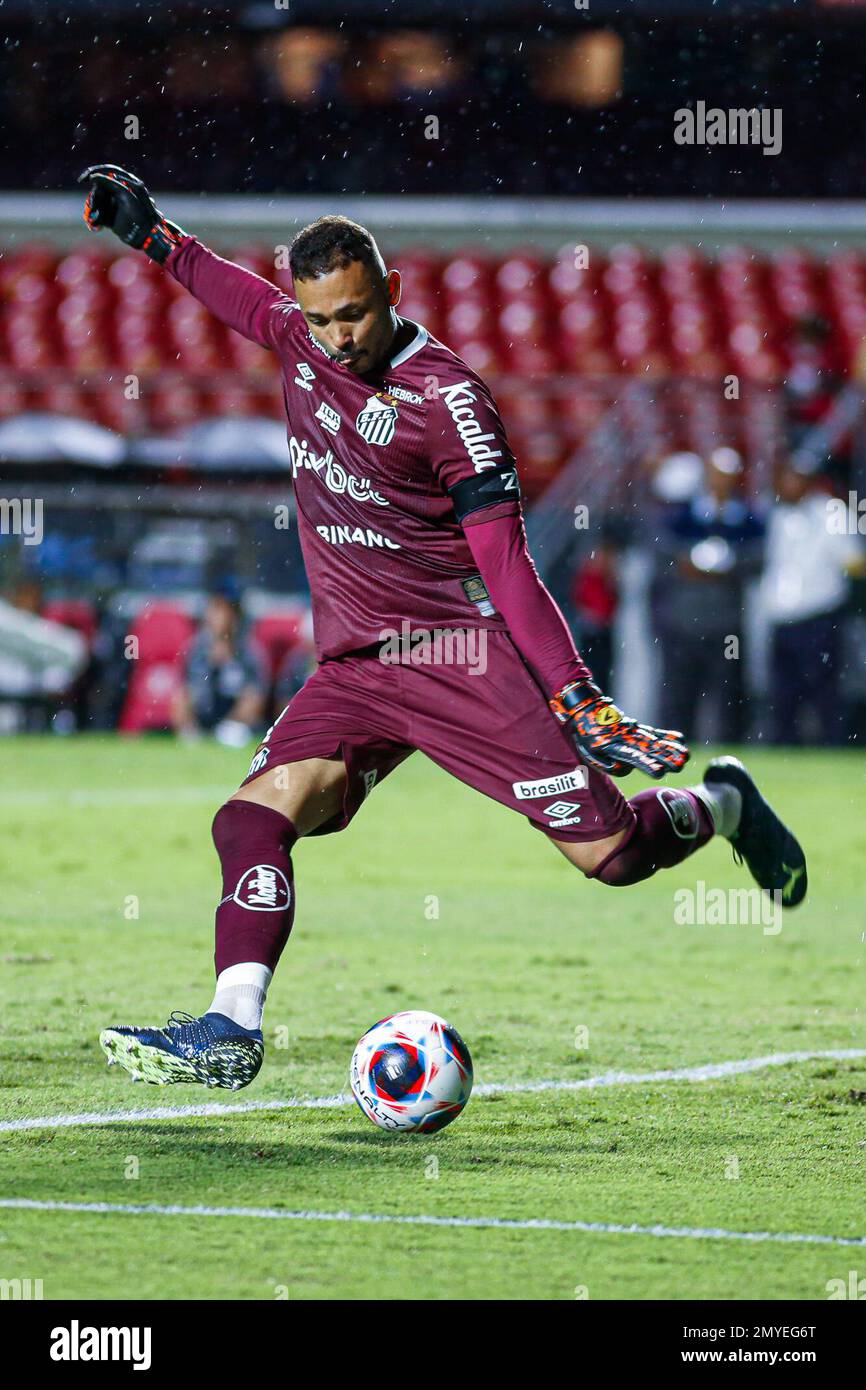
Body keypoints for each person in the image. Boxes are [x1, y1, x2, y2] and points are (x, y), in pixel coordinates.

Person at [79, 165, 808, 1093]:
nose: (338, 338)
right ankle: (231, 1026)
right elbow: (236, 297)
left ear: (391, 291)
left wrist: (575, 695)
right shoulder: (300, 340)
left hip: (456, 657)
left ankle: (727, 805)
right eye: (321, 319)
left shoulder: (447, 402)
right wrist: (157, 240)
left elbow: (506, 562)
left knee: (614, 857)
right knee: (250, 819)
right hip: (354, 668)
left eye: (354, 313)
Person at [651, 448, 765, 743]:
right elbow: (662, 556)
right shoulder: (680, 517)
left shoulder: (748, 520)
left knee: (728, 697)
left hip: (725, 625)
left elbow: (758, 562)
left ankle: (728, 758)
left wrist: (725, 568)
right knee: (678, 696)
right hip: (683, 622)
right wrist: (687, 563)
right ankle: (673, 752)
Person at [764, 460, 864, 746]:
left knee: (824, 692)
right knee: (783, 694)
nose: (786, 484)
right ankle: (785, 750)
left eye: (793, 478)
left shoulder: (830, 511)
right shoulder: (777, 513)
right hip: (782, 617)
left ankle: (832, 747)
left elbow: (854, 562)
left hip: (818, 616)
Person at [172, 591, 266, 746]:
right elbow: (182, 693)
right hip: (201, 719)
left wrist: (229, 726)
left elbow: (254, 700)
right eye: (213, 610)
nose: (214, 617)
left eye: (221, 610)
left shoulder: (249, 653)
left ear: (234, 616)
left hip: (235, 727)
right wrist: (187, 726)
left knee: (236, 735)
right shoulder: (196, 650)